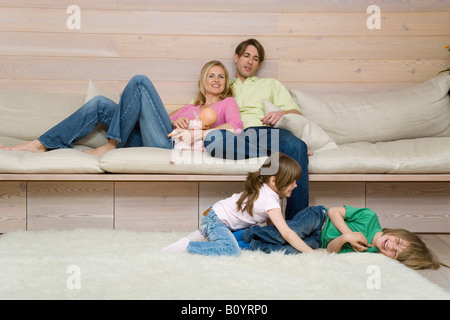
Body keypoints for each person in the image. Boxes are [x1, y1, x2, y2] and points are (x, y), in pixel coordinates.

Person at [0, 60, 242, 157]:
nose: (216, 79)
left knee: (139, 81)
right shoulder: (191, 106)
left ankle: (112, 143)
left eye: (221, 76)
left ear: (224, 83)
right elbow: (160, 123)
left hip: (169, 146)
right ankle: (41, 144)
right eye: (211, 75)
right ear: (203, 80)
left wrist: (196, 128)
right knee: (99, 104)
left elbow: (236, 127)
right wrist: (176, 122)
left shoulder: (226, 103)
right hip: (157, 137)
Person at [203, 39, 309, 220]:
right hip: (235, 136)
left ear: (259, 64)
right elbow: (198, 108)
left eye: (255, 58)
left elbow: (296, 112)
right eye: (246, 56)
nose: (250, 61)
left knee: (297, 146)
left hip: (264, 131)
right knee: (214, 139)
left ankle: (297, 223)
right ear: (236, 57)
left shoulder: (270, 84)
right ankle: (277, 153)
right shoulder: (221, 83)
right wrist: (181, 120)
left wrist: (280, 112)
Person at [162, 153, 320, 256]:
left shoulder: (265, 188)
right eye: (292, 181)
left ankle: (196, 237)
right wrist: (310, 252)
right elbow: (285, 232)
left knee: (214, 238)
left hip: (211, 215)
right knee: (231, 250)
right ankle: (188, 246)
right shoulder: (270, 198)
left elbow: (274, 225)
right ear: (273, 180)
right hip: (216, 220)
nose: (296, 185)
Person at [233, 205, 448, 270]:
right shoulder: (369, 217)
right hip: (320, 219)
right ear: (397, 234)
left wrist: (344, 241)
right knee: (290, 232)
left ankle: (247, 246)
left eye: (395, 254)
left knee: (289, 251)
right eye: (398, 242)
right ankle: (243, 233)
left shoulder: (369, 253)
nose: (391, 246)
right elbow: (335, 212)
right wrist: (348, 233)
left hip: (321, 242)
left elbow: (332, 251)